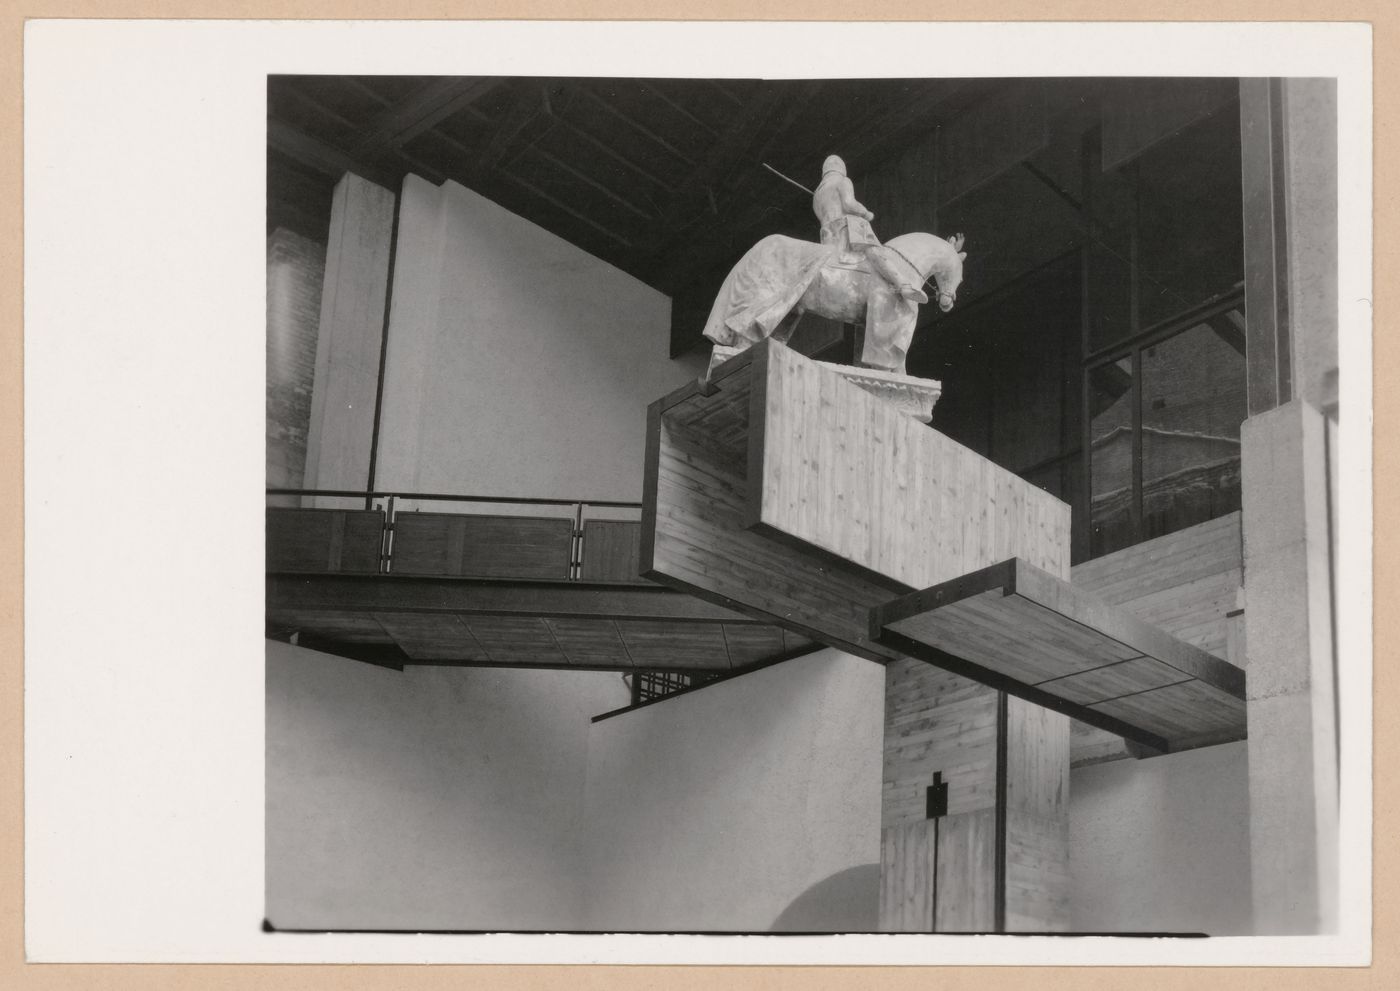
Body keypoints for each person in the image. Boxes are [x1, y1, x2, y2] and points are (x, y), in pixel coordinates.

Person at [812, 155, 928, 305]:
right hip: (846, 229)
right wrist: (866, 213)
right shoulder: (843, 181)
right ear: (841, 168)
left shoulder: (817, 194)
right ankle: (903, 284)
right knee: (875, 252)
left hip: (828, 236)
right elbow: (849, 204)